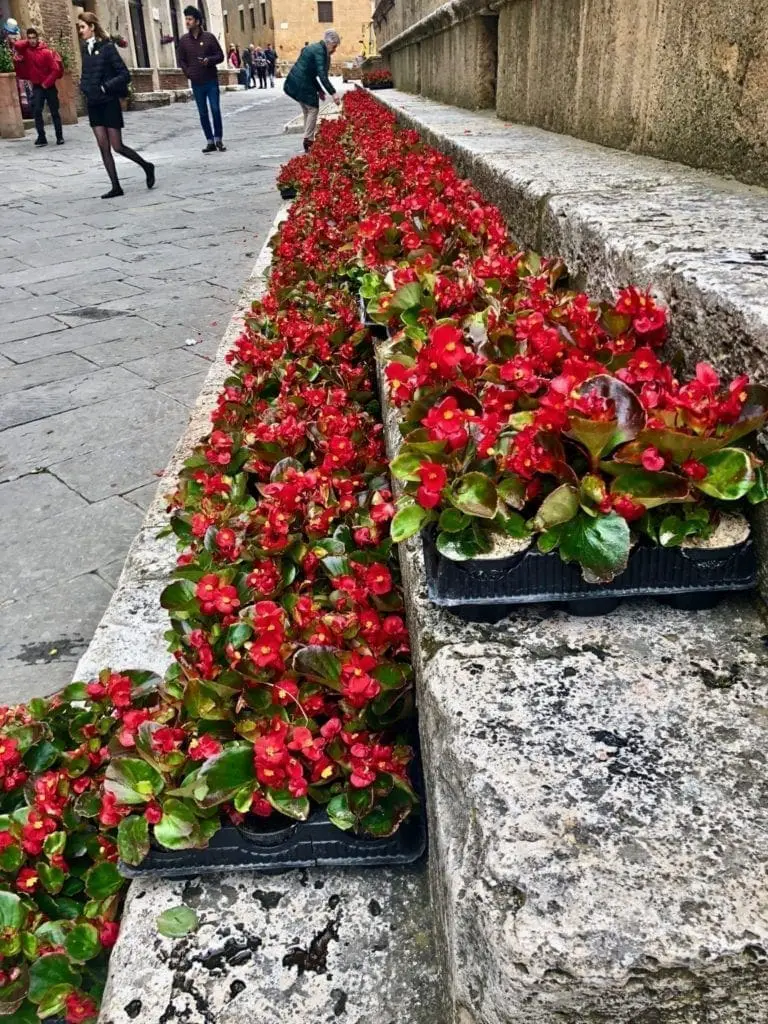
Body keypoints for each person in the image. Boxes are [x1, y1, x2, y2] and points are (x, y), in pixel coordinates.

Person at [77, 12, 155, 199]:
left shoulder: (108, 48)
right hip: (93, 103)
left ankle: (147, 166)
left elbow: (124, 74)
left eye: (82, 27)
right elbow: (86, 73)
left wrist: (105, 87)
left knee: (117, 146)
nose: (80, 31)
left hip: (108, 102)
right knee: (103, 147)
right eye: (79, 28)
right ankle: (115, 187)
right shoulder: (84, 48)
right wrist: (84, 87)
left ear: (92, 27)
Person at [177, 6, 226, 153]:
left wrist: (209, 61)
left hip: (211, 80)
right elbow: (181, 60)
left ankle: (218, 139)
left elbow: (220, 56)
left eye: (190, 19)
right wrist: (188, 73)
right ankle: (209, 141)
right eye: (186, 19)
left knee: (215, 109)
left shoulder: (209, 38)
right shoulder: (184, 41)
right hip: (196, 82)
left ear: (197, 21)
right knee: (203, 113)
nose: (187, 22)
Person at [284, 30, 340, 153]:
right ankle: (308, 141)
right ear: (329, 43)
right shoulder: (320, 52)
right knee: (313, 109)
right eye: (334, 47)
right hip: (302, 83)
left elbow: (309, 72)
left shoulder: (314, 48)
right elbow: (322, 75)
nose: (334, 50)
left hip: (295, 82)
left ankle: (308, 139)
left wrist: (319, 90)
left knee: (307, 110)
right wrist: (333, 93)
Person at [12, 27, 64, 146]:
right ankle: (41, 137)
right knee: (36, 111)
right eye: (29, 38)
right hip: (37, 86)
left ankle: (59, 136)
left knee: (54, 111)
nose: (32, 41)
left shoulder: (46, 52)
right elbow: (17, 46)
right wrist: (26, 42)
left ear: (37, 38)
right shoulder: (26, 51)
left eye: (34, 38)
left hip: (48, 85)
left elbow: (55, 70)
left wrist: (46, 83)